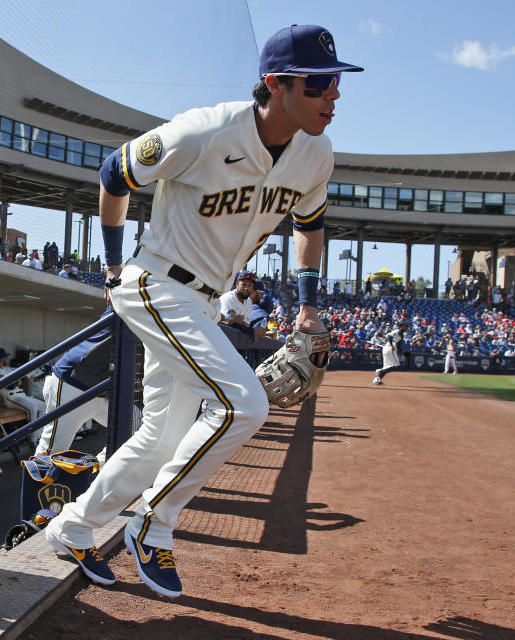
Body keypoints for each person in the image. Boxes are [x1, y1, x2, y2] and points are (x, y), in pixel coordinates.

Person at [44, 24, 361, 598]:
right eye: (320, 86)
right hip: (156, 284)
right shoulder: (205, 130)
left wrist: (310, 306)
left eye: (336, 85)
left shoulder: (316, 154)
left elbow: (310, 228)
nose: (333, 97)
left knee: (161, 441)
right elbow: (115, 173)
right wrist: (112, 269)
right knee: (245, 404)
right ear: (276, 83)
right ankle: (153, 524)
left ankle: (73, 527)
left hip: (204, 301)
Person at [36, 313, 141, 463]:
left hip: (103, 392)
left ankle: (95, 468)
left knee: (140, 427)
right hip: (72, 386)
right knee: (51, 452)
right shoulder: (126, 301)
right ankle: (38, 484)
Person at [0, 348, 46, 446]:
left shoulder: (5, 369)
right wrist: (15, 381)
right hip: (12, 398)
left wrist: (15, 381)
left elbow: (18, 382)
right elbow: (10, 386)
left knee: (44, 406)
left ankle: (38, 434)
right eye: (6, 356)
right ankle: (33, 439)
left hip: (21, 395)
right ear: (1, 358)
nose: (7, 358)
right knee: (33, 408)